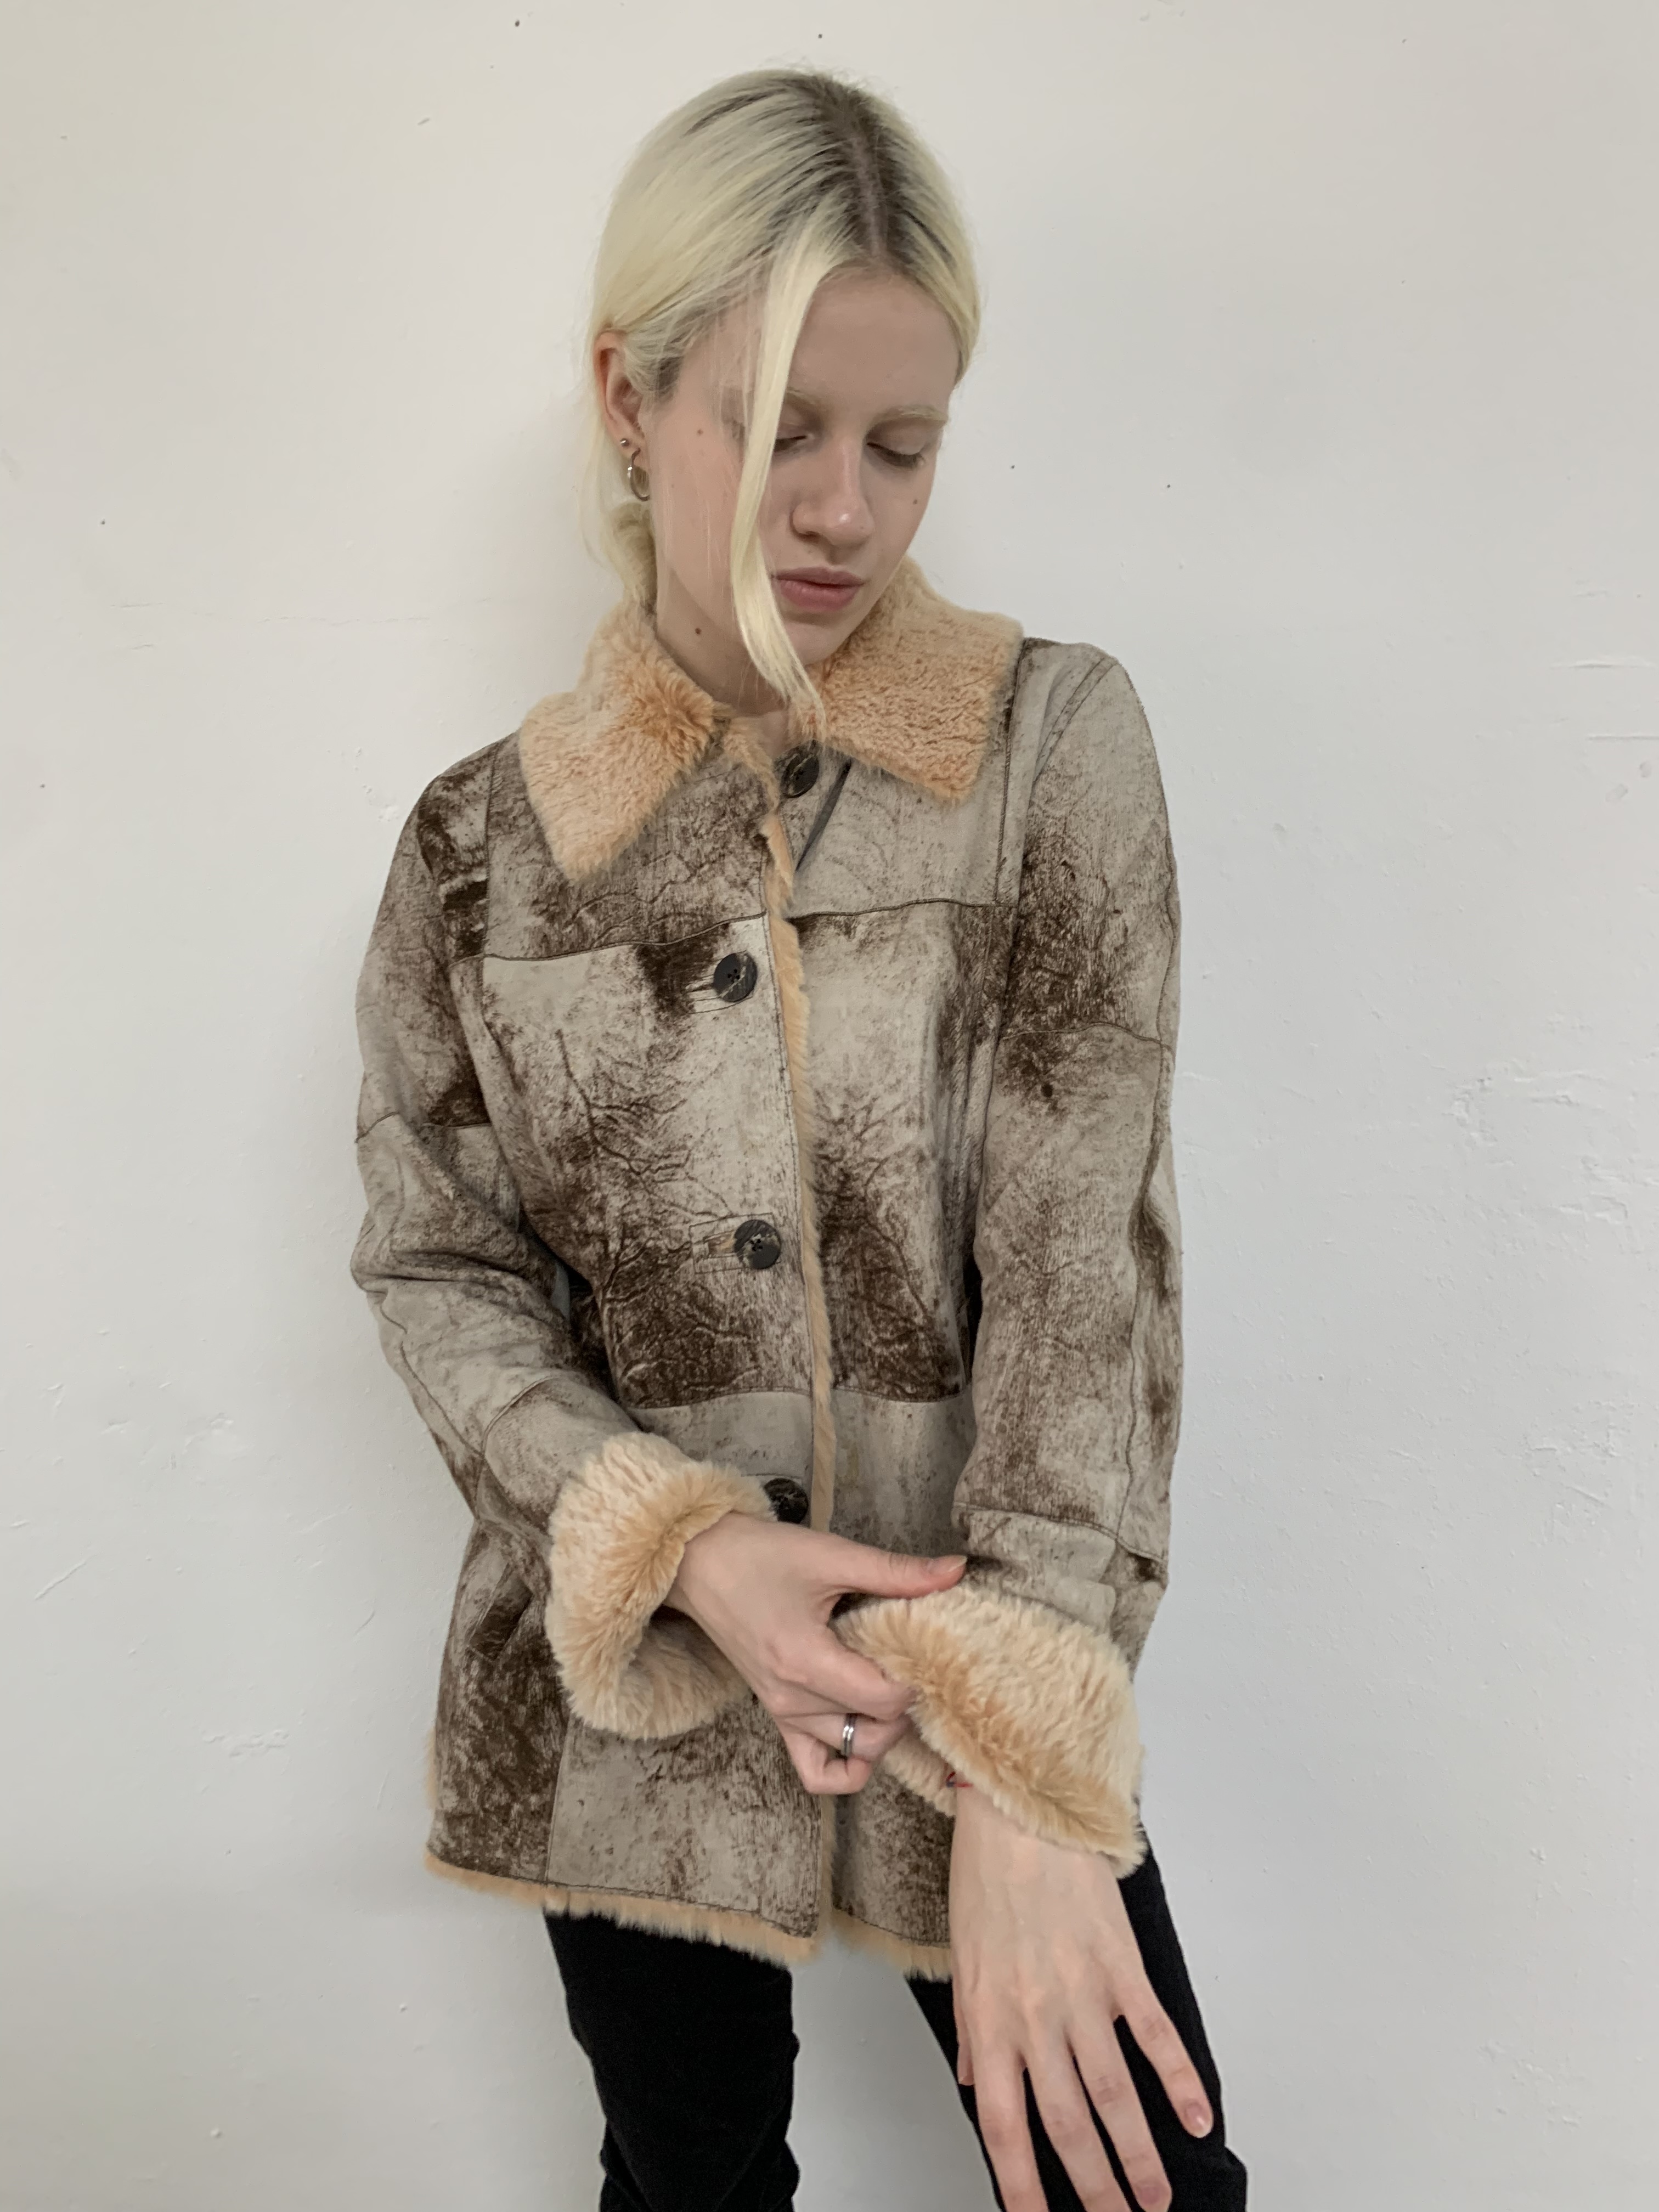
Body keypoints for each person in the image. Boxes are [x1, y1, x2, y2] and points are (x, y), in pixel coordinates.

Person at [349, 63, 1249, 2212]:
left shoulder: (1047, 751)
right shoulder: (483, 852)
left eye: (901, 443)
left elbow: (1084, 1264)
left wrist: (1025, 1760)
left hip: (974, 1642)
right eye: (777, 431)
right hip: (637, 1705)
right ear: (628, 397)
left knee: (1148, 2183)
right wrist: (681, 1547)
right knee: (686, 2192)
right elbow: (441, 1271)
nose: (844, 508)